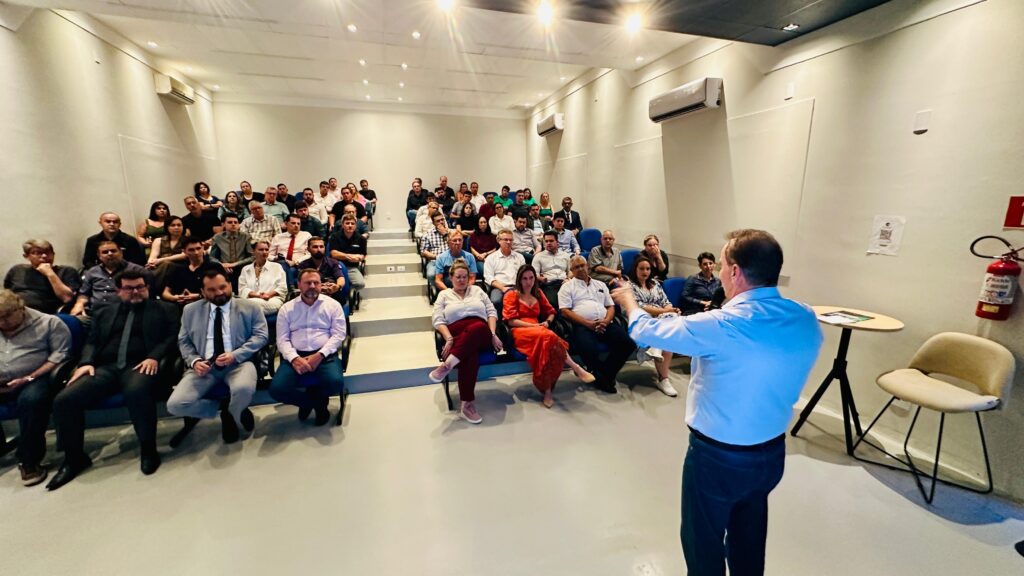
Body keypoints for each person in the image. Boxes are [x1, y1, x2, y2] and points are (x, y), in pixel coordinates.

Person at [612, 230, 824, 576]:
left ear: (736, 271)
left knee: (703, 543)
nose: (720, 272)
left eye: (723, 265)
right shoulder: (804, 316)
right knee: (749, 536)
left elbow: (644, 331)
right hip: (771, 454)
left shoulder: (721, 324)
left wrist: (628, 301)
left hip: (718, 459)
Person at [48, 269, 180, 490]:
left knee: (137, 391)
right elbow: (92, 341)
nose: (135, 292)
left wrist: (154, 357)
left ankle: (148, 449)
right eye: (129, 288)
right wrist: (86, 362)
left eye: (140, 287)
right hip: (105, 367)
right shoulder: (104, 311)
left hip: (140, 364)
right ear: (119, 290)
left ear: (147, 288)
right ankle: (74, 458)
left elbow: (171, 338)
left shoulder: (165, 309)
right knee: (65, 399)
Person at [168, 269, 268, 444]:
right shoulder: (190, 310)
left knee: (243, 389)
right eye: (212, 290)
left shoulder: (250, 307)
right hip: (204, 367)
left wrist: (235, 355)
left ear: (230, 285)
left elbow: (261, 336)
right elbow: (184, 341)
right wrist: (194, 361)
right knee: (175, 405)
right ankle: (225, 410)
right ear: (203, 292)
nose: (219, 292)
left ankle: (233, 413)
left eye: (222, 287)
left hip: (239, 363)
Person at [0, 290, 72, 486]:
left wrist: (28, 377)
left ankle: (29, 461)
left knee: (31, 401)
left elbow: (59, 357)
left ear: (21, 308)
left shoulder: (49, 323)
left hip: (35, 377)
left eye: (6, 316)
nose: (2, 322)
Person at [502, 266, 594, 408]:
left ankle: (548, 391)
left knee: (549, 348)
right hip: (520, 331)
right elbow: (511, 321)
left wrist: (547, 322)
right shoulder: (511, 295)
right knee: (549, 336)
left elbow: (551, 312)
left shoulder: (538, 293)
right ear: (519, 280)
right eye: (525, 279)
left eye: (531, 278)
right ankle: (576, 368)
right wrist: (534, 326)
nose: (528, 282)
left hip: (540, 331)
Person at [269, 269, 347, 426]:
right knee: (277, 390)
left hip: (324, 355)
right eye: (307, 283)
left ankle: (314, 401)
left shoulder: (333, 305)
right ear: (299, 285)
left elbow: (339, 335)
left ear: (321, 284)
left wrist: (320, 355)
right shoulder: (287, 309)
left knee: (336, 382)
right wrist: (294, 359)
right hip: (295, 355)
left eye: (316, 283)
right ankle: (314, 404)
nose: (312, 286)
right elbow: (282, 339)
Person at [428, 260, 502, 424]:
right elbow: (438, 319)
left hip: (482, 333)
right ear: (451, 278)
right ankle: (467, 404)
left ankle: (447, 365)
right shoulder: (444, 295)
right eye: (458, 277)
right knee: (469, 355)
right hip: (457, 334)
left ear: (469, 278)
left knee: (478, 327)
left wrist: (492, 334)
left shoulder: (477, 290)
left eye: (464, 277)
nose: (462, 280)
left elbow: (491, 312)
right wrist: (448, 337)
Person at [558, 256, 635, 393]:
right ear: (572, 271)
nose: (580, 269)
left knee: (628, 344)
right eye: (576, 267)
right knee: (588, 349)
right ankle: (605, 379)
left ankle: (603, 375)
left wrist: (606, 321)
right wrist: (588, 323)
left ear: (587, 266)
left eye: (582, 265)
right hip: (582, 325)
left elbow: (610, 306)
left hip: (605, 323)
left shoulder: (600, 285)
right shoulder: (567, 287)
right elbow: (565, 311)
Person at [628, 255, 680, 397]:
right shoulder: (630, 286)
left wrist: (670, 309)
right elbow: (640, 307)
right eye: (642, 269)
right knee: (666, 331)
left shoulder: (655, 284)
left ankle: (663, 375)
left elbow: (666, 301)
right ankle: (663, 378)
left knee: (670, 324)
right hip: (642, 319)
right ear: (635, 269)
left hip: (660, 318)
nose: (645, 272)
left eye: (648, 269)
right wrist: (665, 311)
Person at [71, 241, 151, 318]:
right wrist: (79, 304)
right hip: (94, 314)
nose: (110, 254)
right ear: (99, 256)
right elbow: (84, 294)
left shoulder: (137, 270)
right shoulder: (92, 272)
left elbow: (147, 294)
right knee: (72, 321)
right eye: (105, 252)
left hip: (125, 314)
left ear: (121, 253)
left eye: (113, 251)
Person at [5, 240, 80, 314]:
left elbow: (67, 298)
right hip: (14, 312)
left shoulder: (66, 271)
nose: (44, 256)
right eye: (37, 253)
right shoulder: (17, 270)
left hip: (45, 314)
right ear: (26, 256)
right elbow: (7, 294)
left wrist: (50, 274)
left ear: (53, 254)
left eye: (48, 252)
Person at [162, 238, 224, 306]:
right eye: (191, 250)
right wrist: (174, 298)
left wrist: (199, 296)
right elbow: (165, 292)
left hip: (208, 304)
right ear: (184, 251)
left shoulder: (214, 267)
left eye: (198, 248)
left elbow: (224, 290)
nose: (196, 252)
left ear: (203, 248)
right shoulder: (178, 269)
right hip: (181, 305)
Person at [238, 241, 287, 314]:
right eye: (261, 250)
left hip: (272, 300)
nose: (264, 252)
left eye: (266, 250)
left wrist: (268, 295)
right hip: (251, 300)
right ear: (253, 251)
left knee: (245, 305)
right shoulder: (246, 269)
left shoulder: (277, 267)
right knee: (248, 306)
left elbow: (282, 288)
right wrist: (258, 295)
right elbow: (242, 289)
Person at [299, 236, 350, 305]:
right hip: (311, 296)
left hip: (331, 295)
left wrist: (337, 286)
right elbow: (302, 283)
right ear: (308, 249)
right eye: (315, 247)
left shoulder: (333, 262)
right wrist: (318, 287)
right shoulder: (303, 265)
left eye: (321, 247)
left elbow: (340, 278)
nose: (319, 249)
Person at [483, 230, 526, 310]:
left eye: (511, 240)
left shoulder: (519, 257)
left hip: (517, 287)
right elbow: (489, 278)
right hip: (499, 287)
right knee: (495, 301)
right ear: (499, 241)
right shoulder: (491, 258)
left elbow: (524, 275)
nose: (508, 242)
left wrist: (519, 288)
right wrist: (502, 288)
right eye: (505, 240)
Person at [269, 214, 313, 287]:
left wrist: (295, 262)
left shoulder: (306, 235)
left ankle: (290, 287)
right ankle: (291, 288)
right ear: (286, 224)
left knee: (287, 270)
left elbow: (310, 254)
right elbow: (269, 255)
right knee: (282, 264)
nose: (296, 226)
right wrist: (276, 258)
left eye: (298, 223)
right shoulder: (278, 237)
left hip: (299, 265)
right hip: (280, 264)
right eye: (293, 223)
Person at [146, 215, 187, 290]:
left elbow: (185, 255)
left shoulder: (188, 241)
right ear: (167, 227)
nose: (176, 227)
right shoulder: (158, 240)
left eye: (179, 225)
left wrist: (161, 260)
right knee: (146, 269)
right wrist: (151, 263)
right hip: (160, 267)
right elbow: (153, 256)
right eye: (173, 225)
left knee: (167, 264)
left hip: (180, 267)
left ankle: (152, 289)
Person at [327, 214, 366, 293]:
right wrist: (350, 256)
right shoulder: (334, 236)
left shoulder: (361, 239)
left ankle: (349, 291)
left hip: (351, 267)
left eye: (352, 223)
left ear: (355, 225)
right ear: (342, 225)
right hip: (336, 266)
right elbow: (334, 253)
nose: (350, 225)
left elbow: (363, 254)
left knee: (360, 284)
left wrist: (359, 258)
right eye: (347, 223)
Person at [209, 213, 254, 280]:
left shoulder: (246, 237)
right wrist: (221, 265)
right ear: (223, 224)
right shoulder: (217, 237)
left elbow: (252, 257)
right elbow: (212, 257)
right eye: (230, 222)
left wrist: (234, 264)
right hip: (223, 268)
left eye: (236, 222)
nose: (233, 224)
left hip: (242, 268)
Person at [533, 230, 571, 306]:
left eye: (551, 241)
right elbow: (534, 274)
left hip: (565, 283)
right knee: (554, 303)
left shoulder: (565, 255)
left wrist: (568, 278)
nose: (548, 243)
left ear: (557, 242)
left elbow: (570, 271)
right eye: (546, 241)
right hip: (549, 284)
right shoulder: (538, 256)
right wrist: (541, 279)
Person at [419, 211, 449, 278]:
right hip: (434, 261)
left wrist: (445, 234)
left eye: (442, 220)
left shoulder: (452, 232)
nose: (441, 222)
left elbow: (456, 247)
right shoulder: (428, 234)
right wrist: (436, 257)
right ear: (433, 223)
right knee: (431, 275)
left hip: (450, 260)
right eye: (438, 221)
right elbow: (423, 251)